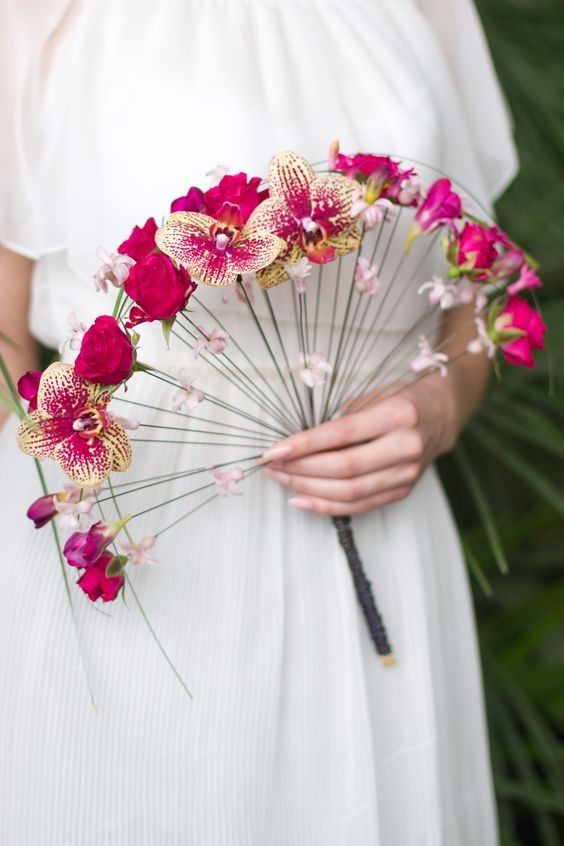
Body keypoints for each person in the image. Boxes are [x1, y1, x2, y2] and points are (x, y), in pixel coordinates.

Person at [0, 0, 517, 843]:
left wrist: (442, 408)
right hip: (138, 547)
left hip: (386, 528)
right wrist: (68, 475)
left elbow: (477, 288)